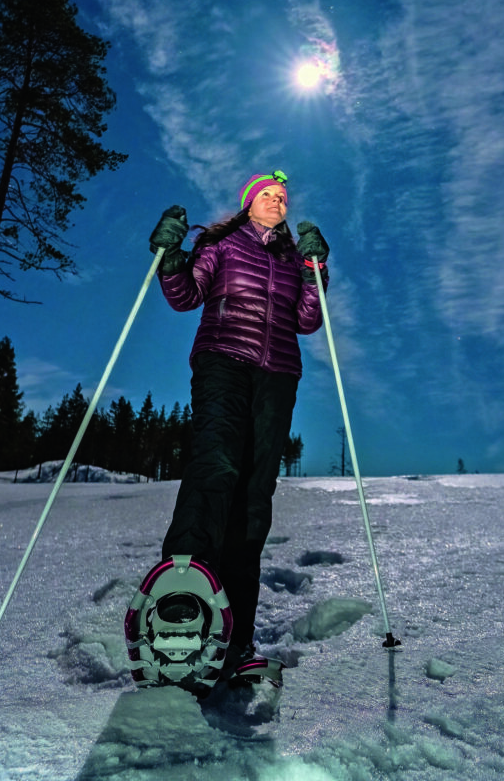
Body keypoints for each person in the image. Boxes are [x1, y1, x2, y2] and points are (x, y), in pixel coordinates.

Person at [147, 170, 330, 672]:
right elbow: (185, 296)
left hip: (277, 377)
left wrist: (315, 270)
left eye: (281, 197)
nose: (275, 201)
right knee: (217, 465)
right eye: (266, 195)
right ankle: (180, 599)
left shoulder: (294, 259)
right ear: (248, 204)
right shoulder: (223, 244)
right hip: (224, 361)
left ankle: (236, 638)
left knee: (254, 496)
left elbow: (309, 321)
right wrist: (170, 258)